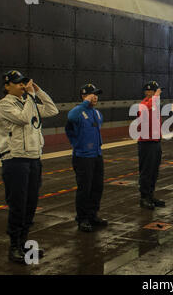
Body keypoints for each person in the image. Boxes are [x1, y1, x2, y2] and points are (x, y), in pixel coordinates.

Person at [0, 70, 59, 263]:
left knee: (30, 204)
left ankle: (24, 243)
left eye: (24, 83)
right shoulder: (4, 105)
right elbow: (23, 118)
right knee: (18, 205)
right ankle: (14, 246)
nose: (23, 86)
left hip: (33, 159)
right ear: (7, 86)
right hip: (15, 160)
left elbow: (52, 109)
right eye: (17, 83)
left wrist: (38, 92)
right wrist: (30, 96)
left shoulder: (28, 102)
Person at [66, 83, 108, 233]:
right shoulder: (78, 112)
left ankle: (92, 215)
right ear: (84, 96)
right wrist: (85, 103)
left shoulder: (96, 113)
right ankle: (82, 218)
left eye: (96, 94)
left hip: (96, 155)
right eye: (92, 94)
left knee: (97, 187)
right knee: (85, 188)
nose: (95, 97)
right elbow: (71, 116)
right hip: (83, 157)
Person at [137, 81, 165, 210]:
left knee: (154, 171)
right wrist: (155, 98)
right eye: (154, 92)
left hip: (155, 142)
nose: (156, 94)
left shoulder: (154, 104)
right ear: (148, 92)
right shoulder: (143, 105)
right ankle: (144, 197)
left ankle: (150, 195)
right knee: (146, 171)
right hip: (146, 143)